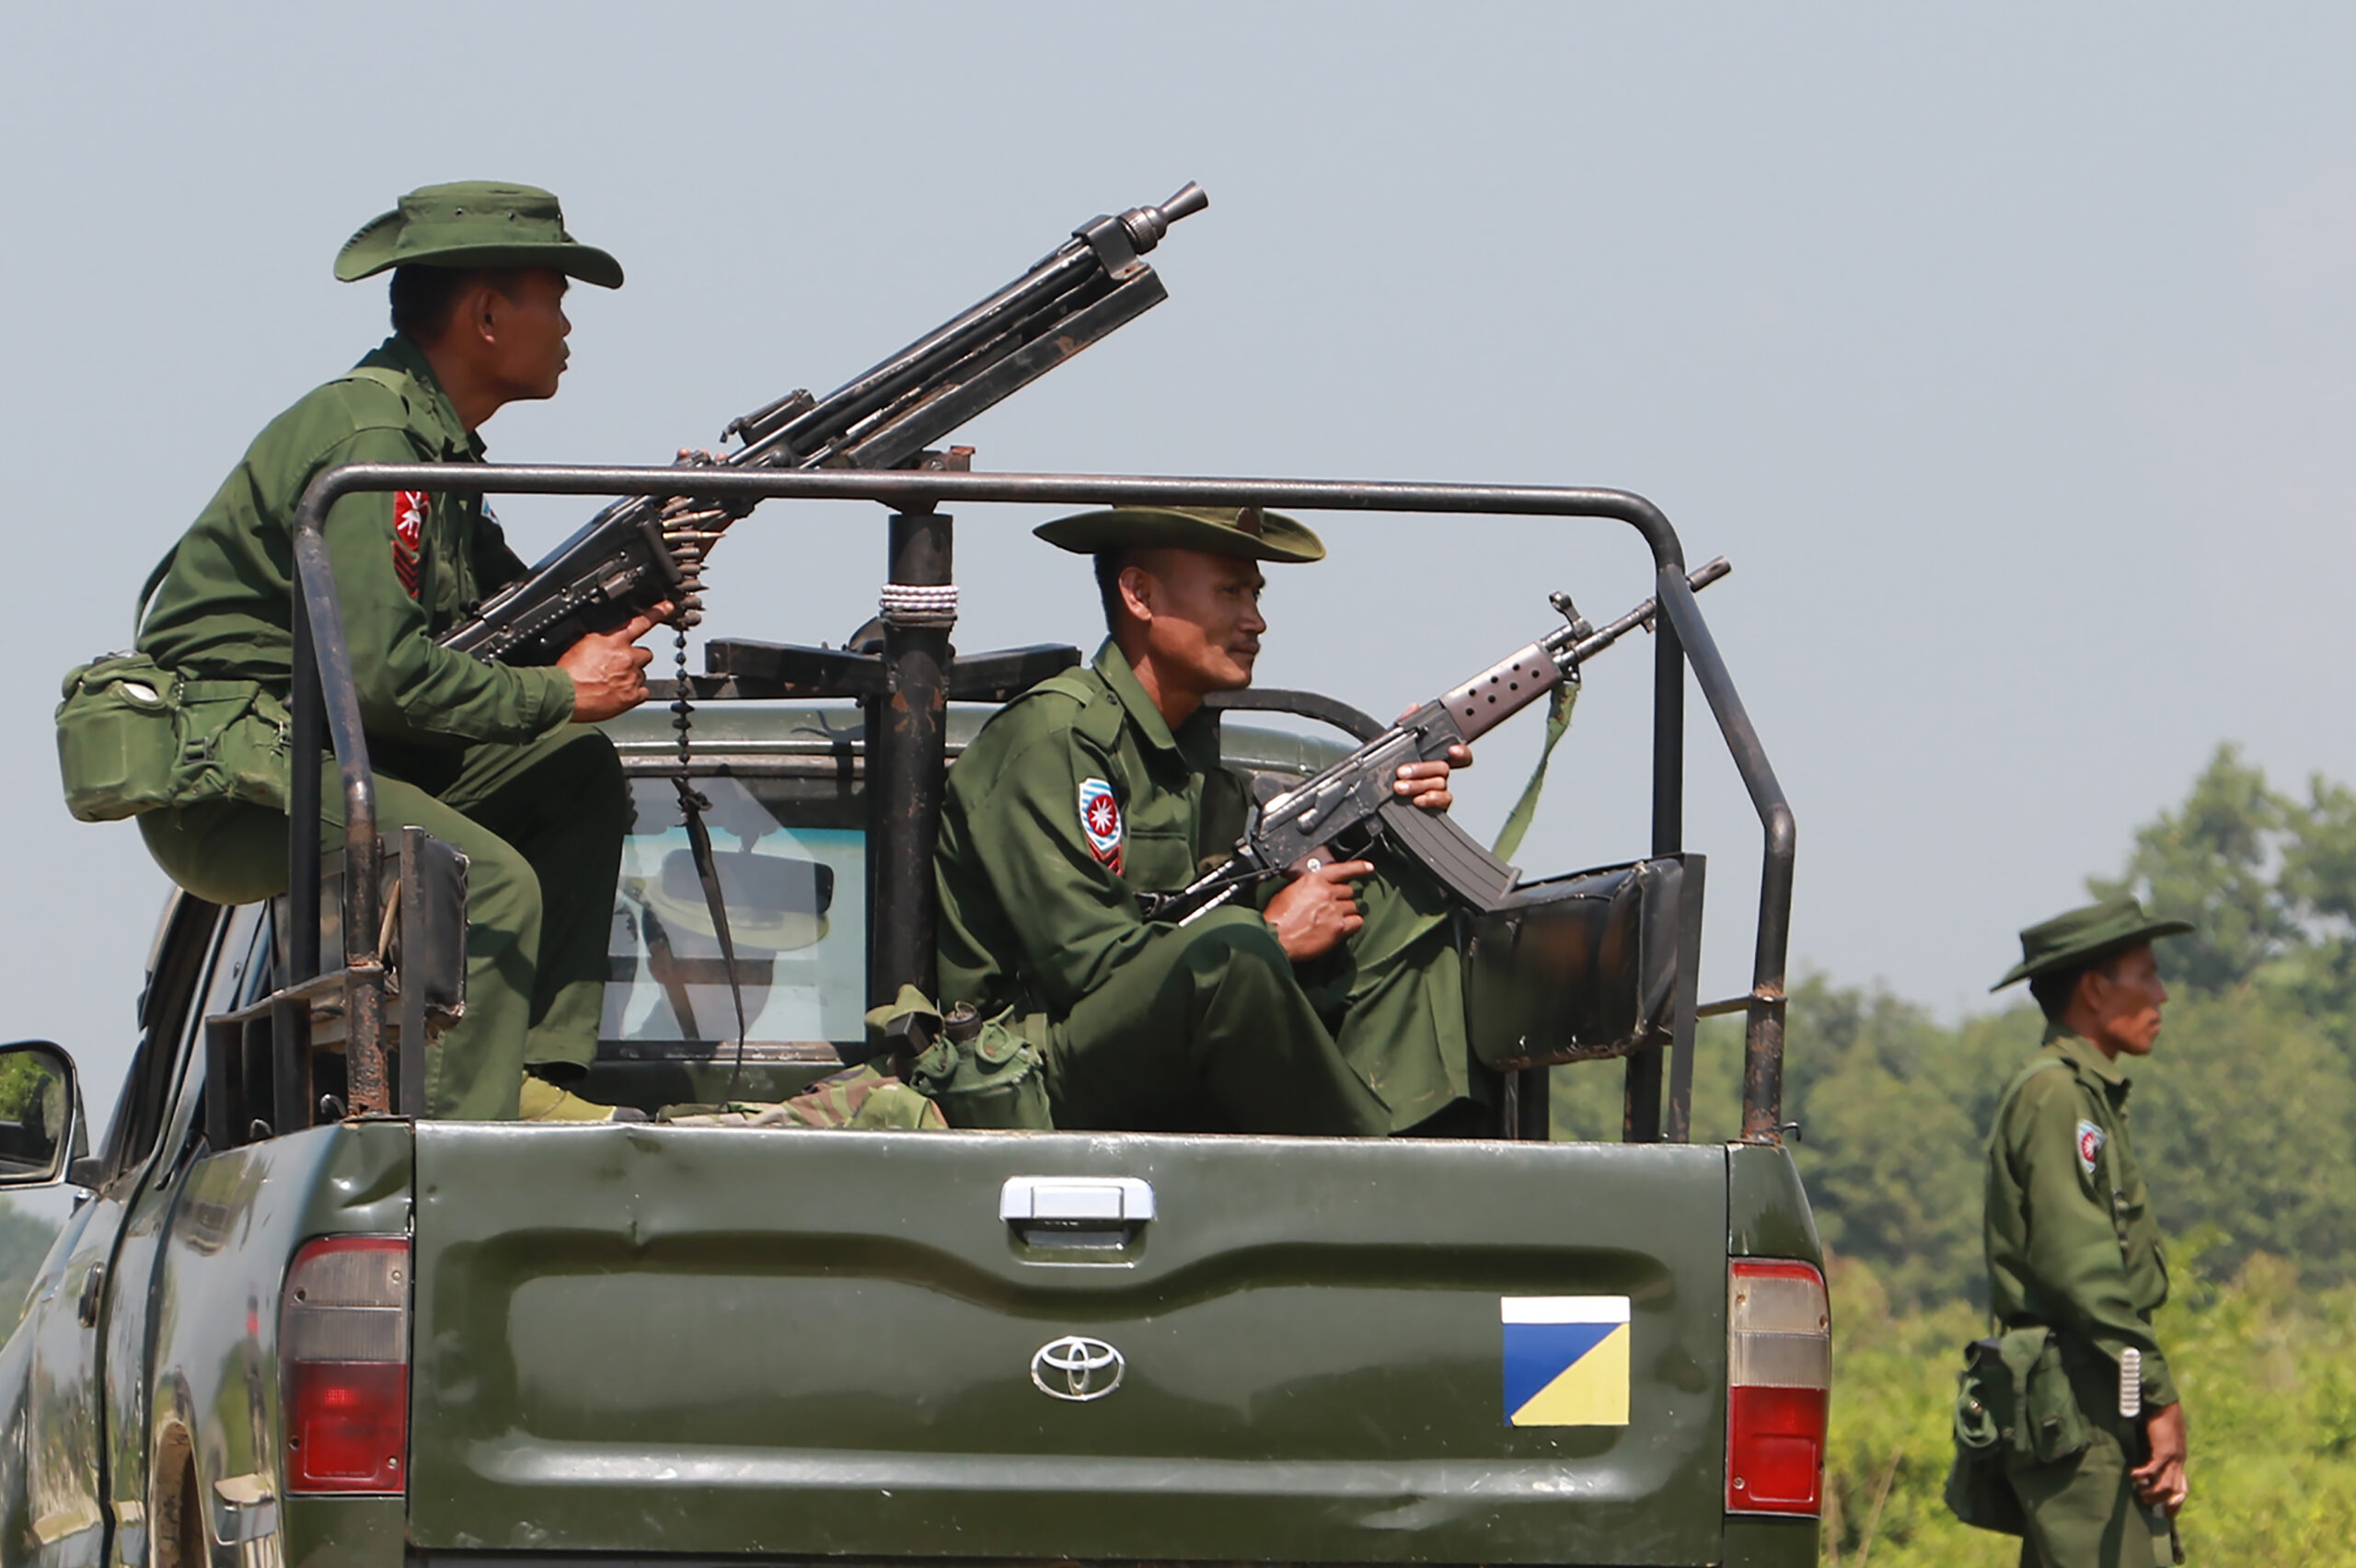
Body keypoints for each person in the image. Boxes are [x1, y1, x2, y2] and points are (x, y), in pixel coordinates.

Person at [134, 182, 667, 1123]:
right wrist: (557, 691)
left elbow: (492, 621)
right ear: (489, 314)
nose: (569, 326)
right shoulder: (379, 442)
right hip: (239, 773)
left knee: (572, 772)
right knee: (483, 882)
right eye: (556, 297)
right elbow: (381, 674)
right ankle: (466, 1142)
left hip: (326, 748)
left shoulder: (436, 452)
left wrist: (620, 597)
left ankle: (530, 1075)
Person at [933, 504, 1484, 1136]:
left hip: (1155, 1042)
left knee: (1389, 895)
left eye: (1255, 594)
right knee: (1234, 952)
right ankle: (1367, 1181)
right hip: (1035, 1069)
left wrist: (1390, 807)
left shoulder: (1187, 748)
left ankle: (1428, 1147)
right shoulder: (1056, 738)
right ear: (1139, 595)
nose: (1256, 621)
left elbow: (1209, 899)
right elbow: (1092, 968)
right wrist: (1272, 936)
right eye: (1230, 592)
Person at [1984, 894, 2193, 1567]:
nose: (2162, 993)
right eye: (2147, 975)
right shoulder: (2058, 1096)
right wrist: (2158, 1395)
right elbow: (2081, 1269)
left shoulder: (2085, 1093)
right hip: (2079, 1394)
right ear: (2096, 990)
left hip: (2097, 1385)